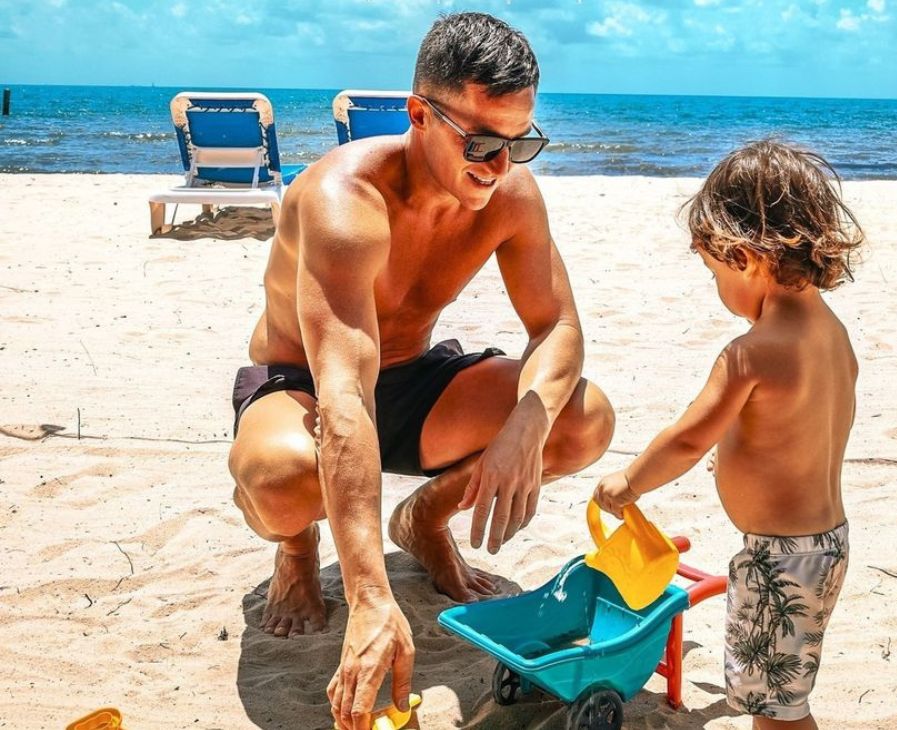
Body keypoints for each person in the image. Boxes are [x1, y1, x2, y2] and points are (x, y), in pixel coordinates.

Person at [226, 12, 614, 729]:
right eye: (482, 142)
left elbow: (555, 324)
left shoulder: (511, 196)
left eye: (519, 142)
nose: (498, 165)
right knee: (283, 484)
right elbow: (342, 395)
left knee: (581, 418)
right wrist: (373, 598)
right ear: (418, 115)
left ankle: (427, 518)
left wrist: (527, 422)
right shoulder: (344, 201)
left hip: (411, 381)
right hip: (306, 386)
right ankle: (296, 550)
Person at [593, 140, 862, 730]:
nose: (718, 287)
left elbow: (688, 439)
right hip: (827, 544)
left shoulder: (749, 354)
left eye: (715, 272)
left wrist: (627, 483)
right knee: (782, 698)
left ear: (744, 257)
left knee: (775, 712)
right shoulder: (832, 335)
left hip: (779, 561)